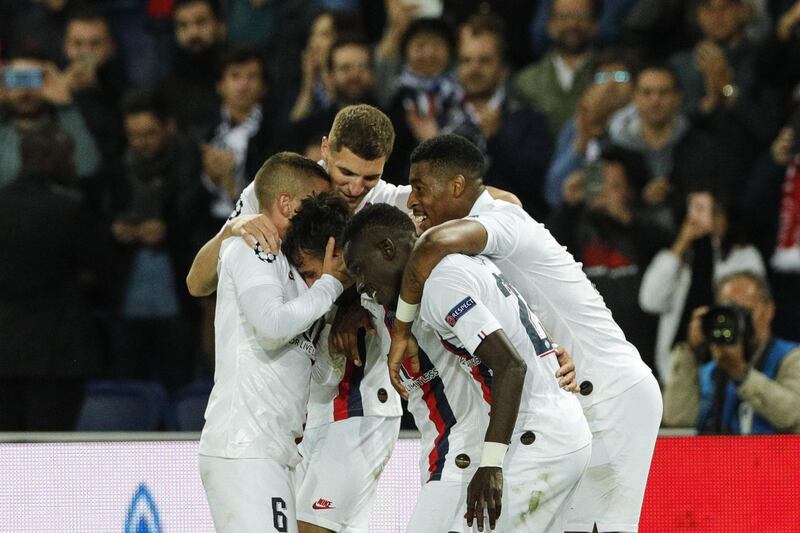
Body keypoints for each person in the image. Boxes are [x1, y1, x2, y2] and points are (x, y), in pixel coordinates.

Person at [388, 134, 662, 533]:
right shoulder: (500, 211)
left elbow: (432, 244)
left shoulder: (500, 222)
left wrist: (402, 328)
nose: (414, 201)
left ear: (458, 187)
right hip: (575, 394)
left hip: (613, 394)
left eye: (421, 189)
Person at [342, 203, 591, 532]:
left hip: (528, 439)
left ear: (388, 248)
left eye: (360, 270)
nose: (360, 285)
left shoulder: (439, 284)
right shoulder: (464, 264)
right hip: (552, 429)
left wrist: (490, 464)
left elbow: (511, 366)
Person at [198, 152, 346, 533]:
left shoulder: (296, 273)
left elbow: (324, 377)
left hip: (274, 453)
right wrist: (330, 286)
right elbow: (270, 325)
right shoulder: (254, 246)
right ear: (285, 203)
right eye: (314, 201)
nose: (320, 213)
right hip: (245, 447)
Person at [0, 126, 107, 431]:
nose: (74, 165)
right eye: (68, 157)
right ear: (48, 159)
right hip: (58, 354)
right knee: (49, 452)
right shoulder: (69, 211)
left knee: (5, 453)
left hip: (4, 351)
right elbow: (107, 271)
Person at [548, 145, 671, 372]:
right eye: (598, 182)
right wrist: (568, 205)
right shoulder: (575, 223)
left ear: (629, 191)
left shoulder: (645, 227)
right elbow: (546, 253)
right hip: (585, 354)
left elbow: (665, 254)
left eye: (614, 185)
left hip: (639, 352)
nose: (603, 191)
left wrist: (624, 220)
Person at [109, 89, 200, 390]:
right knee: (129, 393)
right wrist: (117, 230)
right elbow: (101, 218)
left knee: (178, 389)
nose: (141, 142)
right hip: (125, 299)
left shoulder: (190, 167)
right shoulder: (117, 170)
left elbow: (197, 224)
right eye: (134, 135)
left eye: (149, 133)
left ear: (168, 127)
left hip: (177, 298)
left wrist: (167, 232)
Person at [639, 189, 766, 383]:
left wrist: (714, 242)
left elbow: (753, 307)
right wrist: (683, 242)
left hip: (730, 369)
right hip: (677, 372)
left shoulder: (744, 256)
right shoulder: (675, 259)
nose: (702, 219)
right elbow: (649, 301)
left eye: (711, 211)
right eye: (695, 210)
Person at [662, 271, 800, 434]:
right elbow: (676, 420)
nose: (737, 321)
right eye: (729, 313)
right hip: (718, 458)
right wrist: (689, 353)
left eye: (745, 312)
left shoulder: (791, 358)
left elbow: (792, 414)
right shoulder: (709, 372)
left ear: (768, 310)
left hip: (776, 458)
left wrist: (741, 373)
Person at [608, 63, 737, 230]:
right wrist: (641, 200)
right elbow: (601, 207)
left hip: (692, 242)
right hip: (630, 246)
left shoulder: (702, 148)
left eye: (663, 93)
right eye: (647, 93)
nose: (655, 101)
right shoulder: (614, 152)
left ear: (678, 98)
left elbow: (719, 200)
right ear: (635, 98)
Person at [457, 12, 553, 218]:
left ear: (503, 69)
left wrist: (498, 139)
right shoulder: (439, 114)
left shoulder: (528, 119)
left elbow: (535, 186)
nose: (474, 68)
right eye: (466, 60)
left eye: (484, 61)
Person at [383, 17, 484, 185]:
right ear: (406, 51)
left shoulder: (461, 95)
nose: (429, 53)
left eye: (437, 46)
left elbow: (474, 149)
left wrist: (434, 139)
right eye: (420, 46)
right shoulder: (393, 96)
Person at [544, 49, 634, 207]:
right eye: (602, 78)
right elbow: (553, 193)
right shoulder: (576, 125)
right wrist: (583, 140)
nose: (610, 85)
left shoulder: (639, 123)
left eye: (621, 77)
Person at [0, 48, 101, 189]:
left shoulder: (67, 124)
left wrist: (64, 104)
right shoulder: (4, 134)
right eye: (17, 79)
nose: (24, 90)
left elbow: (86, 167)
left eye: (32, 78)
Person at [512, 0, 601, 138]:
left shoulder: (610, 76)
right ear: (550, 25)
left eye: (581, 15)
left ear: (595, 24)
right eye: (564, 16)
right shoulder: (526, 81)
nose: (572, 24)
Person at [289, 37, 378, 159]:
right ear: (329, 77)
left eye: (362, 66)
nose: (354, 75)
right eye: (345, 68)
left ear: (372, 73)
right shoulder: (309, 130)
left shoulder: (394, 126)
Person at [61, 8, 129, 163]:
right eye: (77, 44)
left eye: (95, 44)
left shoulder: (125, 91)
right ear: (65, 46)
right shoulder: (52, 86)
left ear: (111, 47)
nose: (86, 52)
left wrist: (95, 92)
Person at [161, 0, 226, 137]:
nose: (193, 33)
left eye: (201, 22)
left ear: (220, 26)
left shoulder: (236, 75)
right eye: (183, 25)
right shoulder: (168, 85)